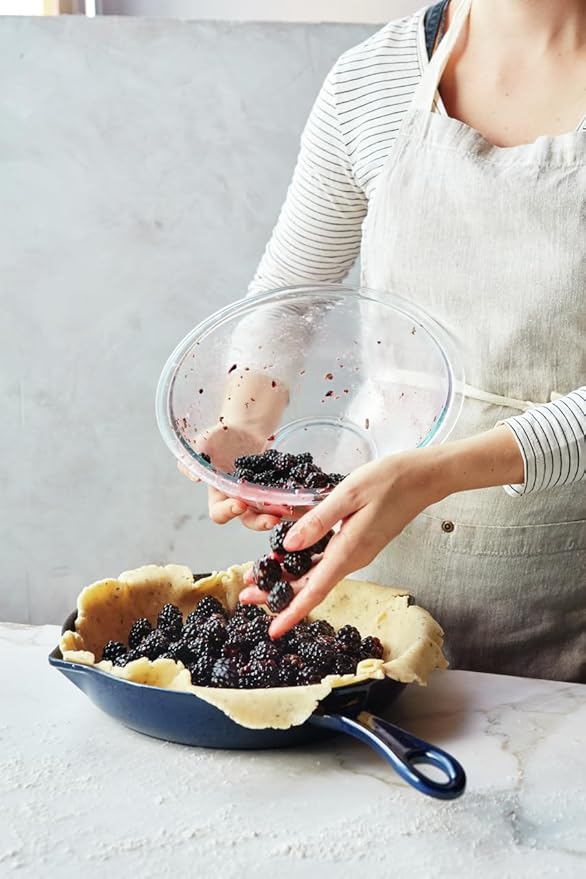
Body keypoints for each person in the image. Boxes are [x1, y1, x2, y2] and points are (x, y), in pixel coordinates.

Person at [190, 0, 586, 682]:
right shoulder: (369, 81)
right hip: (370, 594)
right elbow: (289, 293)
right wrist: (244, 429)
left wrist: (434, 476)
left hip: (565, 602)